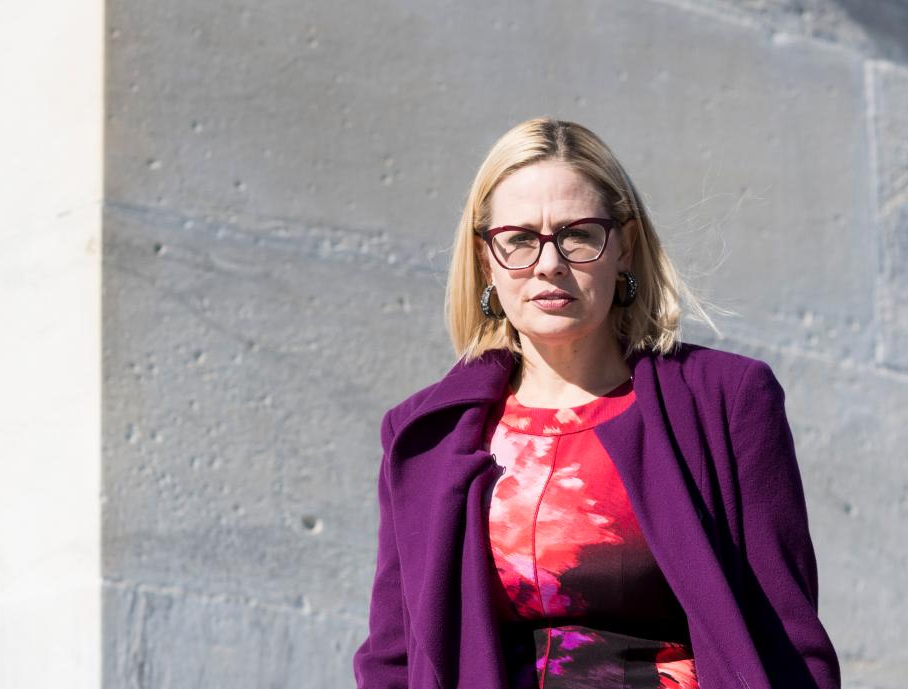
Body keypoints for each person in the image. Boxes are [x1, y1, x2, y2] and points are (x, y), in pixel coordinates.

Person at [351, 117, 840, 689]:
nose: (549, 262)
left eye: (578, 234)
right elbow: (394, 657)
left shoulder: (727, 401)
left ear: (624, 249)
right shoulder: (423, 433)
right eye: (519, 240)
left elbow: (789, 639)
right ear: (487, 260)